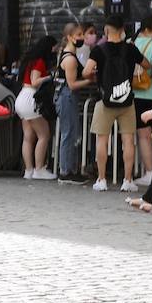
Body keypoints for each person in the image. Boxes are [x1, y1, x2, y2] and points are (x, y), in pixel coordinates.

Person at [85, 14, 150, 192]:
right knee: (128, 140)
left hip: (104, 101)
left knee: (102, 140)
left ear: (106, 29)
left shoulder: (99, 50)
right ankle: (127, 180)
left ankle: (101, 179)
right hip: (127, 102)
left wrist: (96, 73)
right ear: (122, 30)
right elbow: (147, 65)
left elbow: (86, 71)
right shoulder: (130, 49)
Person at [14, 35, 57, 180]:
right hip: (30, 98)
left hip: (21, 98)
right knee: (44, 135)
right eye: (54, 48)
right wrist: (49, 77)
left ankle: (28, 170)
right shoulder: (39, 62)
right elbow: (34, 81)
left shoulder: (30, 61)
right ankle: (39, 169)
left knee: (28, 137)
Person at [54, 22, 91, 183]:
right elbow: (72, 84)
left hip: (67, 97)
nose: (82, 38)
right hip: (67, 96)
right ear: (70, 37)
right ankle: (66, 170)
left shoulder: (68, 54)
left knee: (71, 132)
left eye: (82, 34)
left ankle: (70, 169)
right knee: (69, 133)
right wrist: (89, 81)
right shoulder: (70, 59)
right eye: (79, 35)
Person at [130, 15, 152, 187]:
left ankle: (149, 173)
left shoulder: (131, 42)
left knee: (143, 136)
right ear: (151, 28)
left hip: (136, 94)